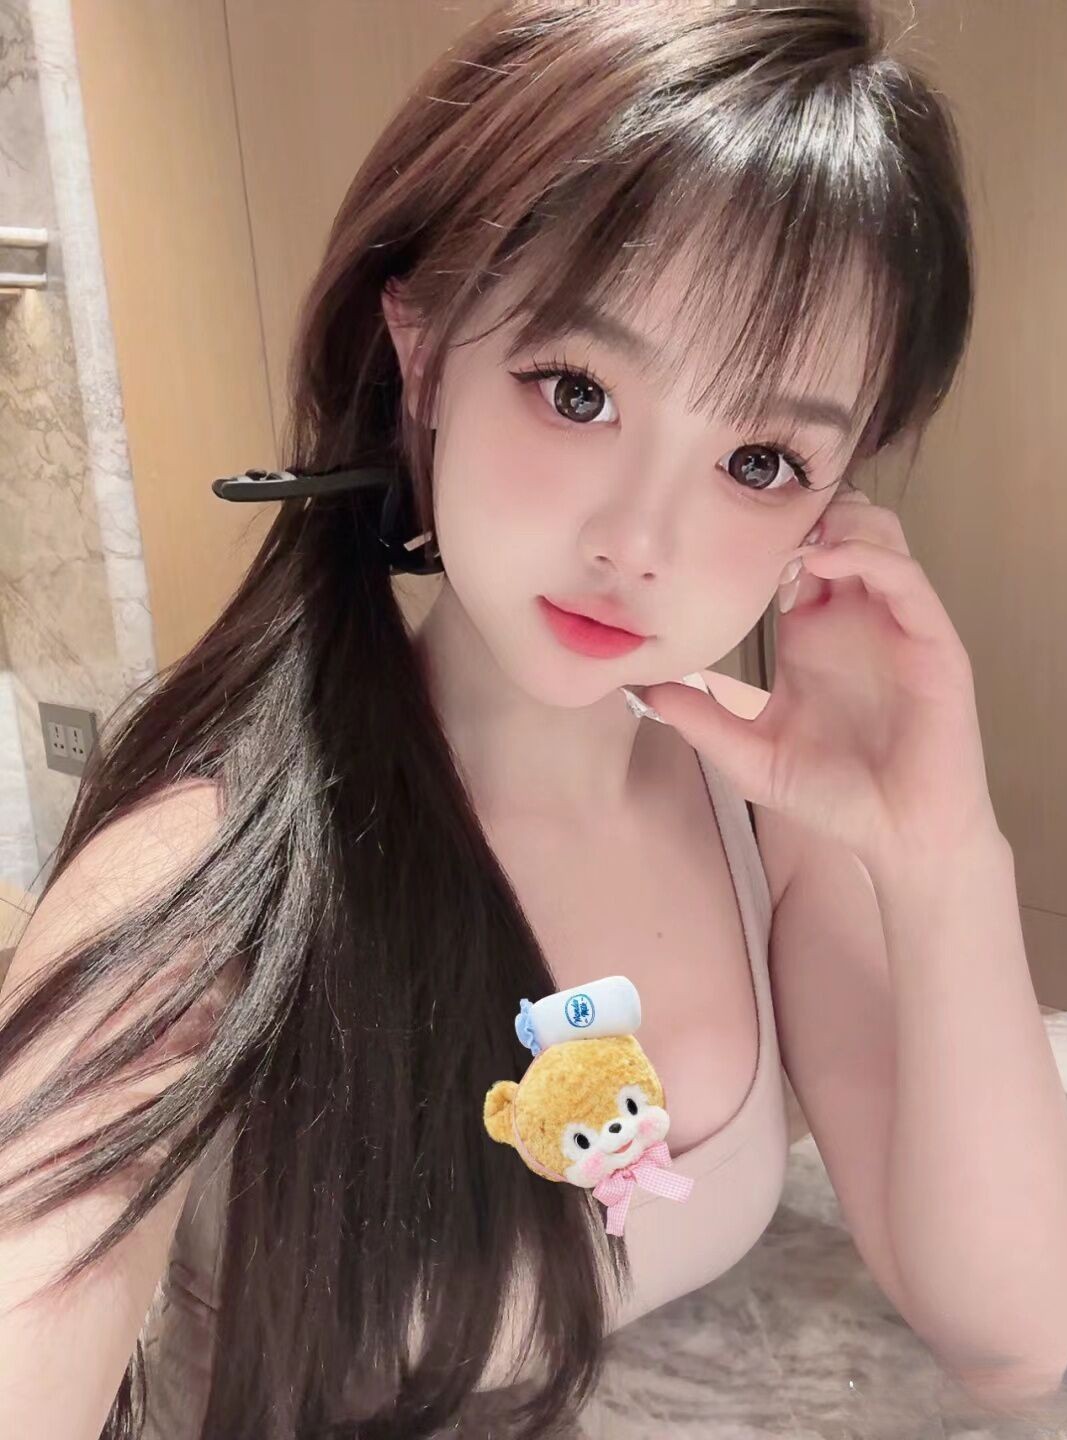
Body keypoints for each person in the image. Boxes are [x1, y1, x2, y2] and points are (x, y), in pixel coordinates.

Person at [0, 2, 976, 1436]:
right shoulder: (207, 871)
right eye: (576, 391)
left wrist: (946, 852)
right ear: (425, 356)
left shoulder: (766, 794)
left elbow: (1011, 1326)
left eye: (762, 458)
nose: (638, 541)